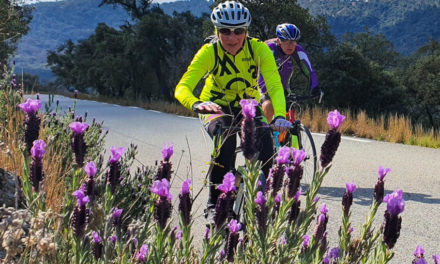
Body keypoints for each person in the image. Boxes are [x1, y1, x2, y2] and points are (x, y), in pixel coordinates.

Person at [174, 1, 291, 221]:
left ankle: (262, 200)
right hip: (214, 105)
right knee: (224, 141)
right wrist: (196, 103)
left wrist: (280, 116)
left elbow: (274, 85)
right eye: (225, 31)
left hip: (247, 105)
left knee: (266, 144)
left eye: (238, 31)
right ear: (216, 31)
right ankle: (214, 202)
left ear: (246, 31)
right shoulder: (209, 52)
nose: (232, 37)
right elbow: (182, 87)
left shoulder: (258, 49)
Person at [259, 23, 320, 123]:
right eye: (285, 41)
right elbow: (260, 72)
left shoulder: (298, 50)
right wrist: (268, 92)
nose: (290, 45)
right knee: (269, 107)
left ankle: (284, 136)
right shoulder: (270, 49)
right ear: (278, 41)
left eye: (293, 41)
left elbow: (310, 71)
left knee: (289, 114)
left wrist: (315, 87)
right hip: (261, 86)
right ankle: (265, 133)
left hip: (282, 88)